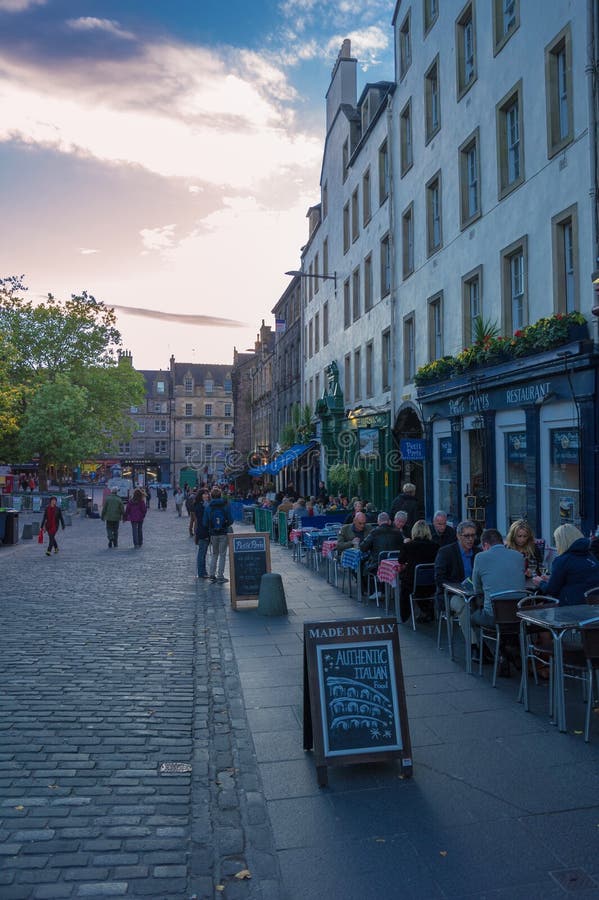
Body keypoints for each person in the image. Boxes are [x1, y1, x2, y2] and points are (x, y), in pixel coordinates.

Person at [434, 520, 481, 653]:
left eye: (473, 535)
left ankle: (496, 645)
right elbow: (439, 579)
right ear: (458, 536)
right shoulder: (446, 552)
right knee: (463, 605)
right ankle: (474, 646)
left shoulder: (478, 552)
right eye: (467, 536)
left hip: (476, 593)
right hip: (451, 594)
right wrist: (458, 588)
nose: (470, 539)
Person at [532, 524, 599, 604]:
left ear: (561, 541)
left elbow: (551, 590)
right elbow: (578, 580)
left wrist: (540, 582)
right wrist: (551, 579)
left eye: (556, 541)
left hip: (572, 606)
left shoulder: (562, 560)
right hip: (593, 605)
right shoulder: (591, 557)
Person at [397, 520, 439, 623]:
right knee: (421, 590)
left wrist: (405, 544)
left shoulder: (409, 546)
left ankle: (404, 616)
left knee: (404, 588)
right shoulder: (435, 546)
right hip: (432, 583)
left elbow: (401, 560)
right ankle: (427, 610)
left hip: (413, 583)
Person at [359, 512, 405, 599]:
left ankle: (373, 590)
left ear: (378, 521)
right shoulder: (398, 532)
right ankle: (383, 590)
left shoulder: (374, 532)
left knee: (362, 564)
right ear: (389, 521)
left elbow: (363, 547)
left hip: (377, 565)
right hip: (394, 565)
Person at [203, 487, 233, 584]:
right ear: (220, 495)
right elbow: (231, 520)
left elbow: (205, 522)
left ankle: (212, 574)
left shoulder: (208, 506)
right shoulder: (225, 505)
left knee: (214, 554)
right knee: (222, 555)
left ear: (211, 496)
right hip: (223, 533)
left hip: (213, 533)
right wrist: (225, 524)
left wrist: (211, 527)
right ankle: (220, 575)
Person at [193, 489, 211, 579]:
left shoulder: (203, 505)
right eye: (204, 494)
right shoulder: (200, 506)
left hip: (203, 531)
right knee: (202, 553)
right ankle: (201, 573)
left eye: (207, 494)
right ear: (200, 496)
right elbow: (202, 521)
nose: (206, 496)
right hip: (203, 531)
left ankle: (203, 572)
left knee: (203, 553)